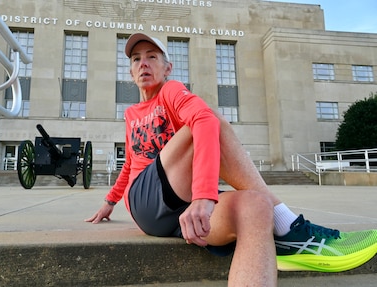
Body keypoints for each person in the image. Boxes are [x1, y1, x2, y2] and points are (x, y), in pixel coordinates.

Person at [86, 33, 377, 285]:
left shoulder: (171, 91)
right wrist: (109, 202)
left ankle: (286, 232)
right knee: (210, 117)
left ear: (168, 68)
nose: (143, 63)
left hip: (181, 208)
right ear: (130, 71)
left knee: (255, 207)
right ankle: (290, 225)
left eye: (152, 57)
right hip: (146, 201)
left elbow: (202, 124)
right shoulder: (131, 114)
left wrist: (201, 197)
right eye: (136, 59)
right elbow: (130, 164)